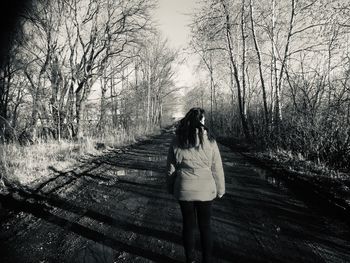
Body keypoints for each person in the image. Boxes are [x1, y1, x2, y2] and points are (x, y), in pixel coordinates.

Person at [166, 107, 225, 263]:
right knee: (205, 227)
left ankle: (190, 260)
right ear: (201, 121)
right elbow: (217, 167)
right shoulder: (211, 140)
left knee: (188, 226)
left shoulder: (177, 139)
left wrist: (171, 187)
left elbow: (171, 167)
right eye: (203, 119)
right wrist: (220, 189)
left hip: (184, 189)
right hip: (206, 190)